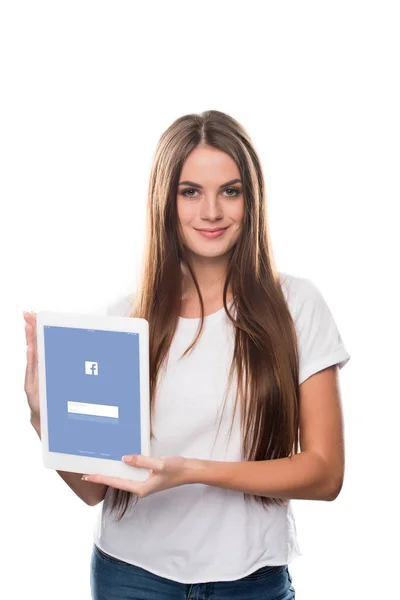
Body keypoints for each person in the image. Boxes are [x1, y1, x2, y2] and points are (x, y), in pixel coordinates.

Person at [24, 109, 351, 600]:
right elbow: (95, 489)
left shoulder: (297, 306)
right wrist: (42, 416)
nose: (212, 212)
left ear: (252, 199)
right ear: (166, 200)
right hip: (131, 576)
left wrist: (192, 472)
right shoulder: (122, 319)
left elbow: (326, 473)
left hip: (252, 580)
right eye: (190, 191)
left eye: (230, 191)